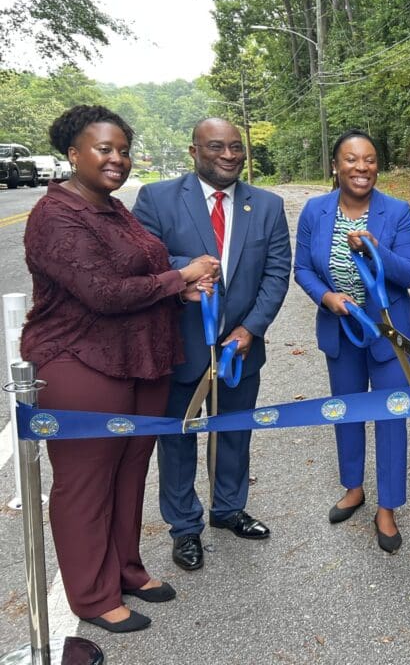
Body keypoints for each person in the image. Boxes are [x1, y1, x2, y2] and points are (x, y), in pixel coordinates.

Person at [21, 105, 219, 632]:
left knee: (131, 471)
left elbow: (142, 282)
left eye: (123, 150)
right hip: (82, 359)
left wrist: (184, 295)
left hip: (141, 360)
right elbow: (102, 293)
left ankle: (127, 569)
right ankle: (91, 593)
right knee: (86, 478)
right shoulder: (55, 214)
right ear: (73, 154)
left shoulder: (113, 209)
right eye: (104, 149)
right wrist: (181, 276)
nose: (117, 159)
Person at [133, 117, 291, 570]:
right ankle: (184, 528)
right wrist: (189, 267)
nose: (228, 155)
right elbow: (147, 259)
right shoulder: (158, 198)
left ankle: (229, 509)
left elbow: (276, 273)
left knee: (234, 432)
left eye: (236, 147)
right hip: (180, 347)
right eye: (217, 147)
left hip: (240, 349)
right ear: (194, 151)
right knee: (179, 441)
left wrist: (250, 329)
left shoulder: (267, 205)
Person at [294, 130, 410, 553]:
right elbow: (303, 269)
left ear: (376, 166)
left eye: (369, 160)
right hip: (341, 331)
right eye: (351, 159)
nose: (361, 167)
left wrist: (373, 251)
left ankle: (387, 506)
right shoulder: (315, 211)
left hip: (387, 333)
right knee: (345, 411)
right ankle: (353, 487)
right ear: (335, 165)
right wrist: (328, 298)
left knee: (389, 417)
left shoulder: (397, 212)